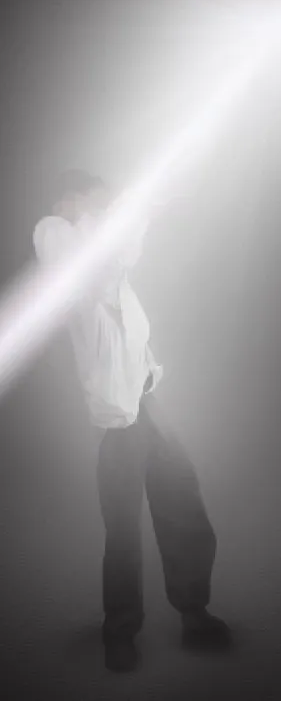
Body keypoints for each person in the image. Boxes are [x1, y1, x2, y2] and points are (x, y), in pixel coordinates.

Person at [32, 169, 230, 672]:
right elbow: (98, 270)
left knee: (182, 500)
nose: (102, 211)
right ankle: (120, 631)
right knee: (123, 527)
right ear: (69, 201)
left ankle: (194, 613)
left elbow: (129, 319)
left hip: (147, 405)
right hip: (118, 420)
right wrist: (135, 212)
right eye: (94, 203)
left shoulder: (111, 262)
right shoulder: (53, 233)